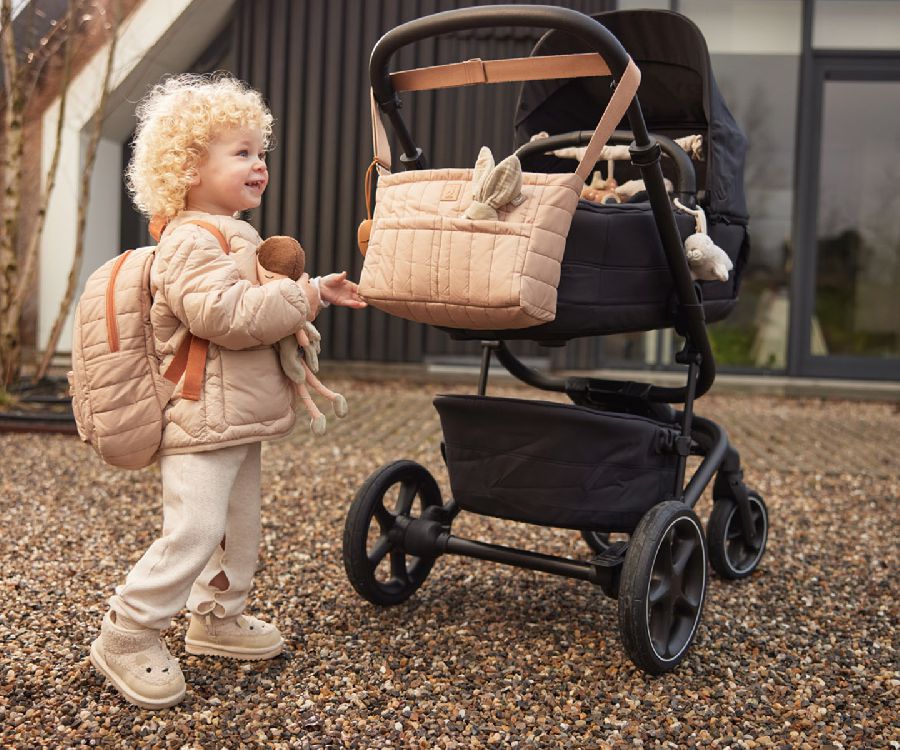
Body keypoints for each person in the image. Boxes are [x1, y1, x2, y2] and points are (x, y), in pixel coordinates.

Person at [88, 73, 366, 710]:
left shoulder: (230, 233)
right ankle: (127, 633)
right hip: (199, 412)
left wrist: (313, 290)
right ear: (188, 168)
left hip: (235, 413)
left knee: (236, 528)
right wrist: (306, 295)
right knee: (195, 526)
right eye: (241, 153)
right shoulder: (189, 239)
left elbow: (253, 306)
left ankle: (216, 617)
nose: (259, 164)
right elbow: (227, 316)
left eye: (260, 152)